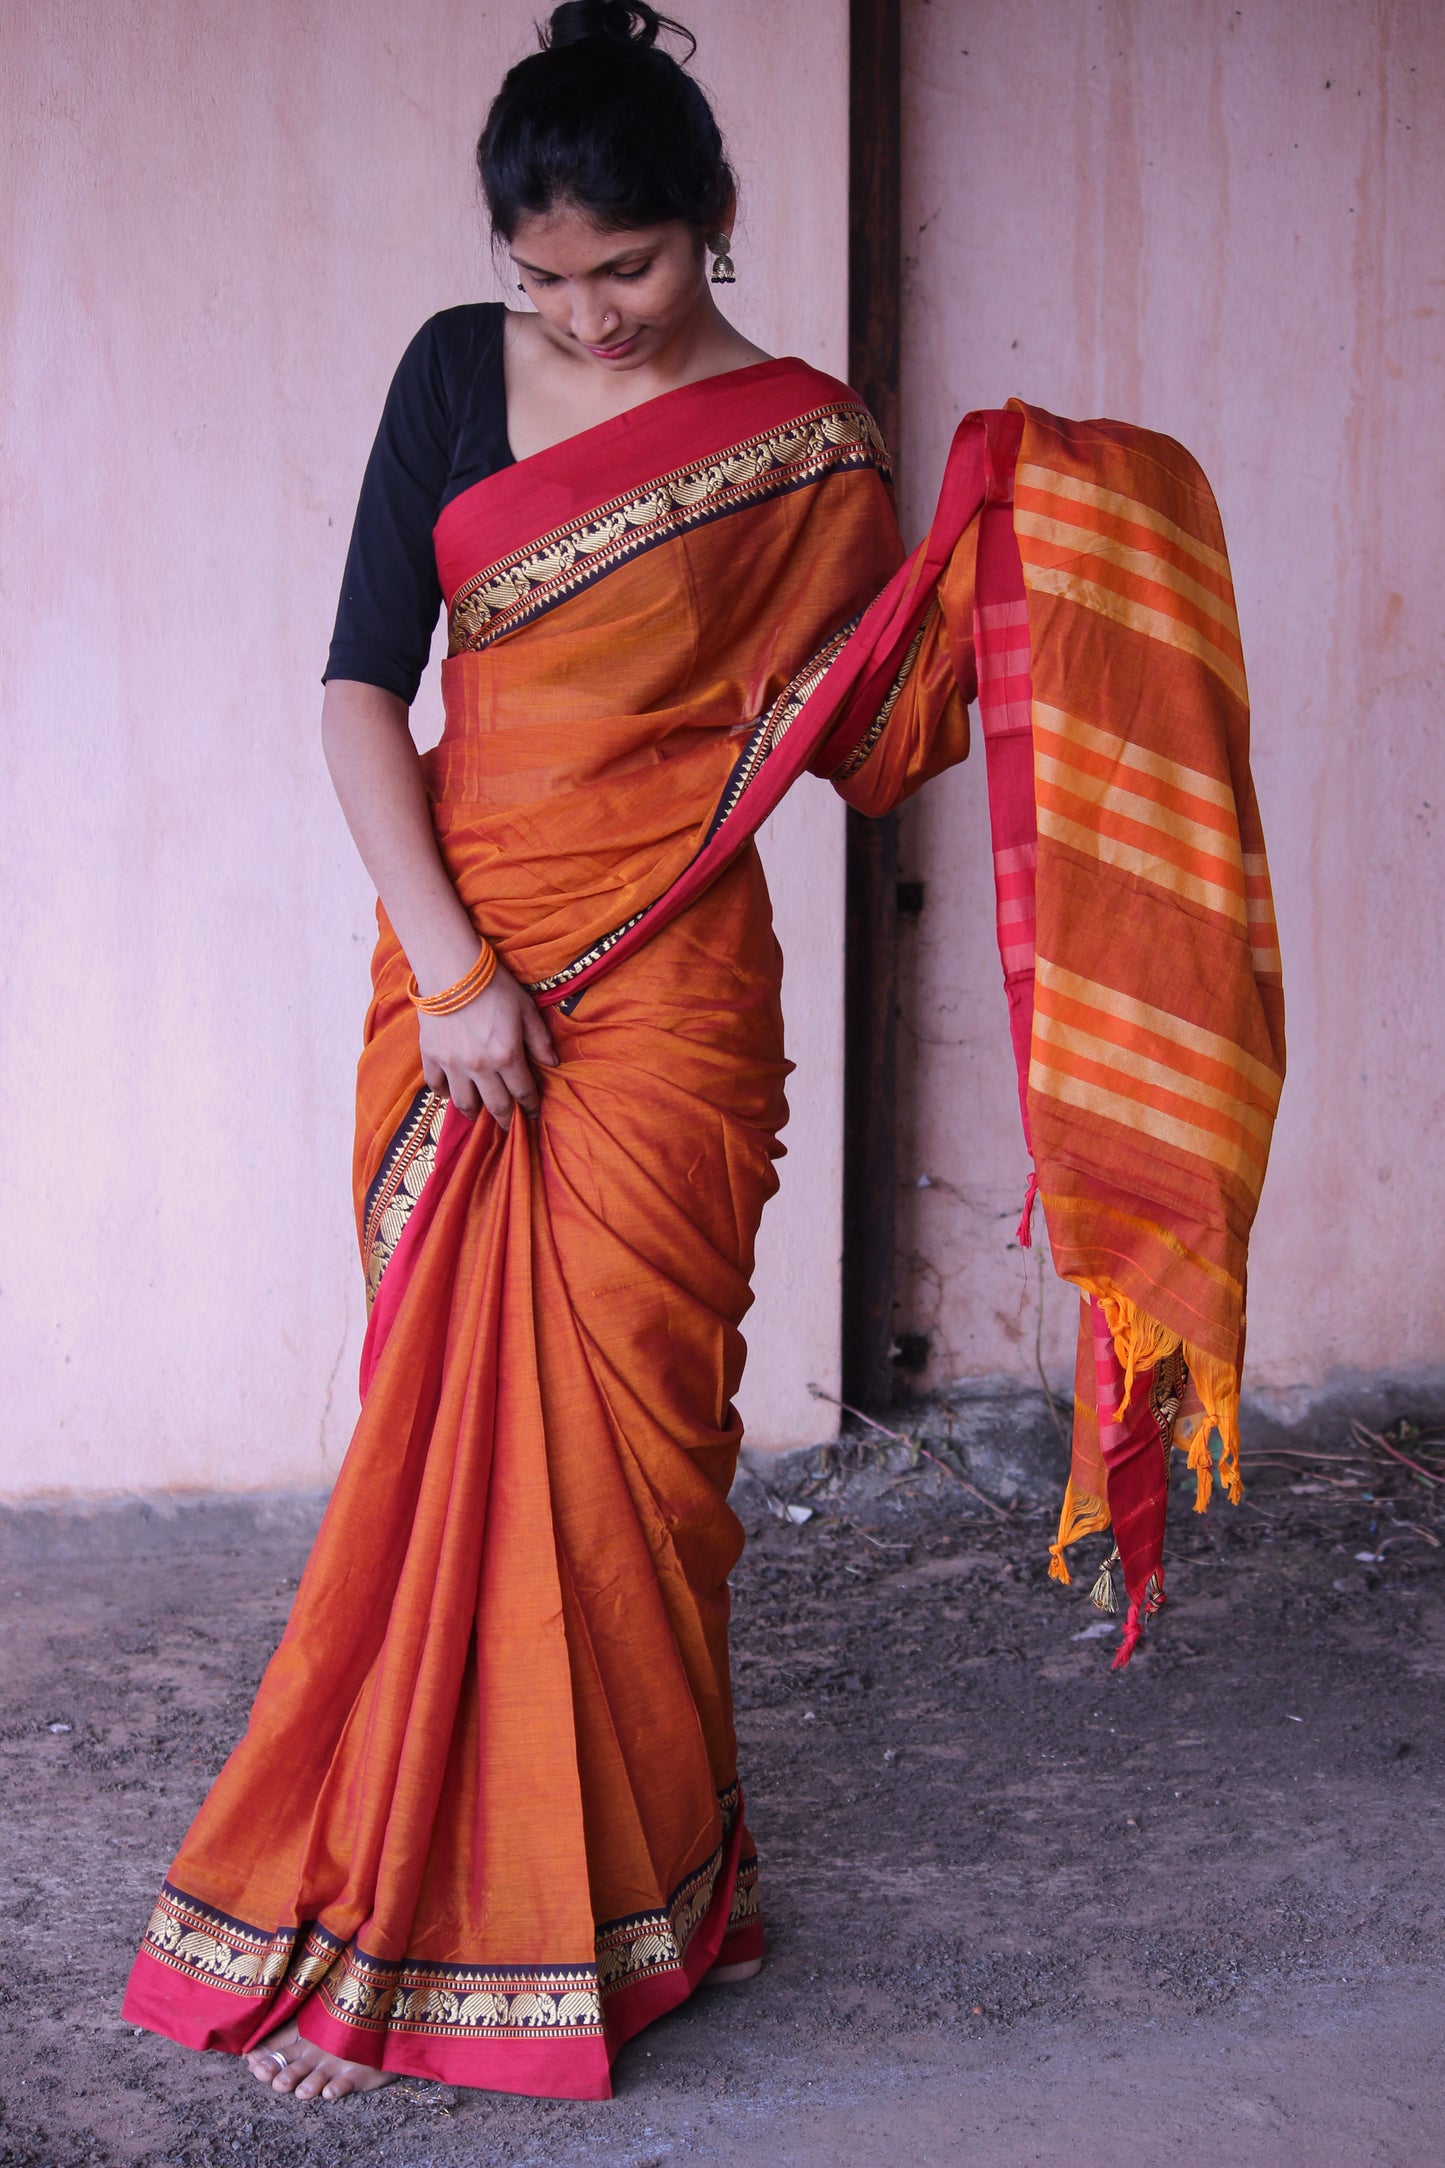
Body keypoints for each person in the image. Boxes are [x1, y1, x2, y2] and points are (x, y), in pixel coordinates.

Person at [123, 0, 1284, 2107]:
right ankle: (412, 1904)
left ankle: (642, 1907)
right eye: (547, 280)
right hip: (461, 975)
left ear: (712, 227)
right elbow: (357, 696)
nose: (593, 317)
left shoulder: (809, 445)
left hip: (671, 1001)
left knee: (637, 1466)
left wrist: (1035, 542)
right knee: (447, 1454)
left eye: (631, 271)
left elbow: (865, 730)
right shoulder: (449, 381)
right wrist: (459, 968)